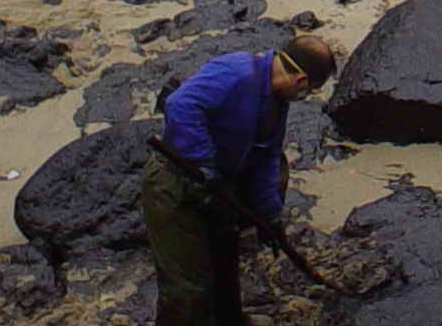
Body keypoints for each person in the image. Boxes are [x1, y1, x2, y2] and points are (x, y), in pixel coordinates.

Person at [142, 35, 338, 326]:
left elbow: (266, 159)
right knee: (187, 288)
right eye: (310, 90)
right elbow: (180, 105)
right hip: (176, 184)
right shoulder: (235, 71)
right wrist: (203, 161)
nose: (305, 95)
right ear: (300, 80)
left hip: (218, 187)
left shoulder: (276, 104)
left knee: (224, 268)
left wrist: (270, 215)